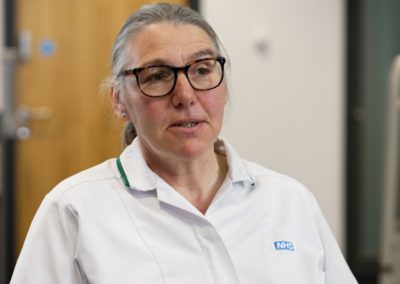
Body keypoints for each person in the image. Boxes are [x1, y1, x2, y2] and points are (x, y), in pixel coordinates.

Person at [10, 3, 357, 284]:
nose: (186, 95)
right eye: (158, 76)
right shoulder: (73, 211)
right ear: (119, 100)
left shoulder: (290, 201)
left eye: (203, 69)